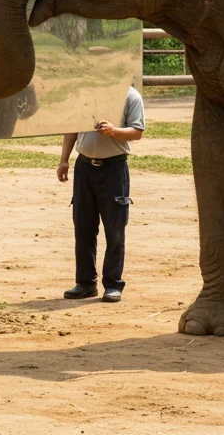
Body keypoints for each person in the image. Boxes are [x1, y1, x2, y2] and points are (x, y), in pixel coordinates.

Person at [57, 85, 145, 302]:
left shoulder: (130, 96)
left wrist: (114, 131)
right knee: (83, 227)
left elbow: (137, 131)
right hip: (84, 167)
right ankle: (85, 283)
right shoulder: (86, 94)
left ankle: (113, 284)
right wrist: (64, 160)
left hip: (114, 169)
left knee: (115, 229)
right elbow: (72, 128)